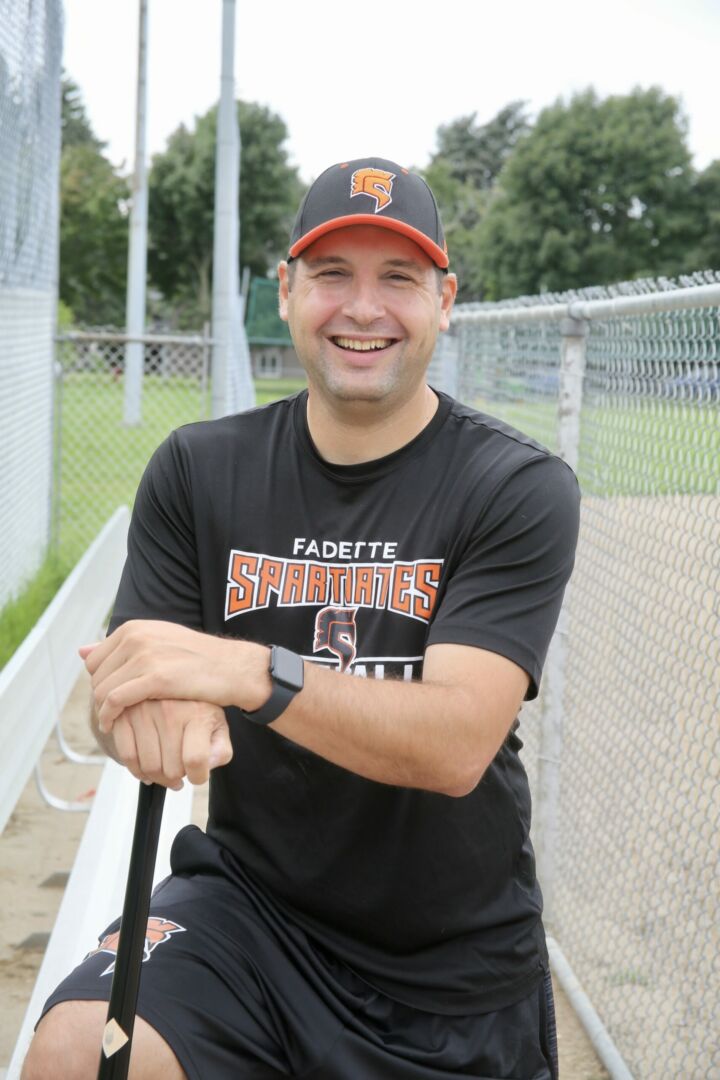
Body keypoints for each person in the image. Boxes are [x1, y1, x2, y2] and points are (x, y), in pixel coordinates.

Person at [23, 157, 580, 1079]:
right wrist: (140, 717)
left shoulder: (512, 486)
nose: (363, 308)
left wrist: (247, 670)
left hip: (449, 967)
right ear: (285, 293)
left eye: (397, 278)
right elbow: (127, 687)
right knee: (79, 1050)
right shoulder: (201, 470)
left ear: (445, 300)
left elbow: (454, 744)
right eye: (332, 275)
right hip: (249, 915)